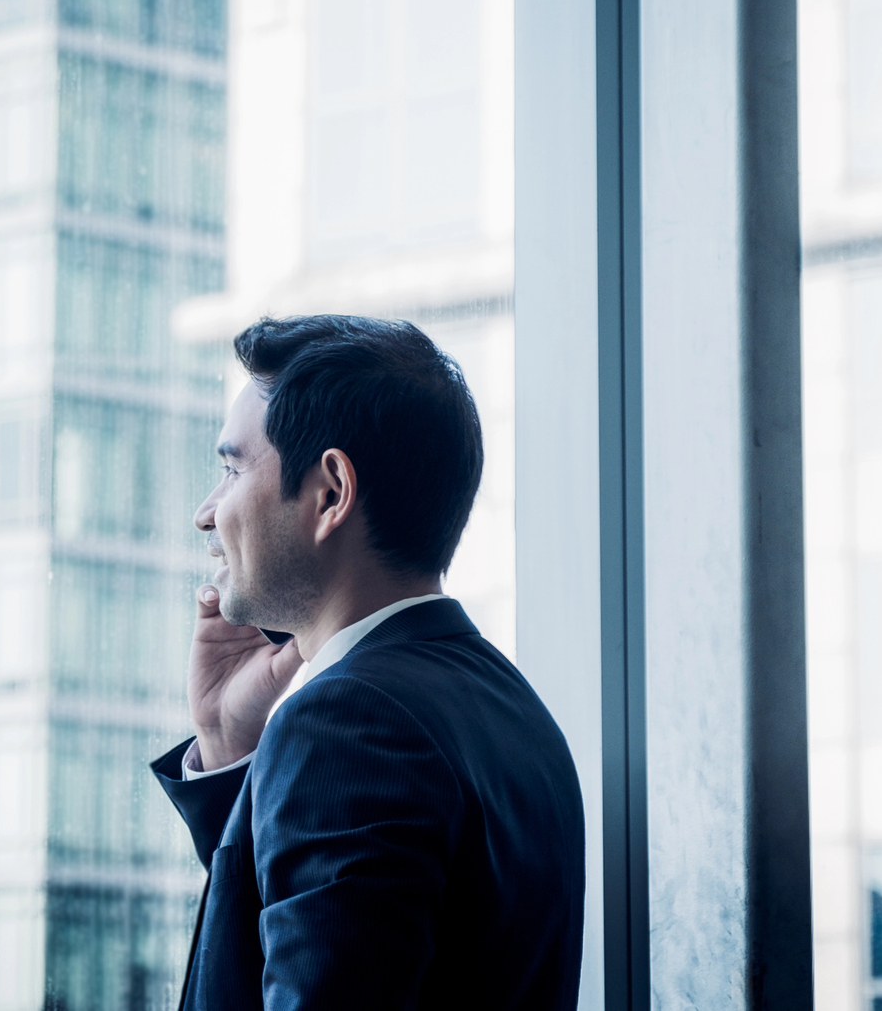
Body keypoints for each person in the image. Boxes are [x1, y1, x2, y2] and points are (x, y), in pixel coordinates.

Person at [155, 315, 584, 1009]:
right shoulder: (511, 707)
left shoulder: (347, 723)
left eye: (232, 468)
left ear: (330, 492)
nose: (207, 512)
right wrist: (233, 750)